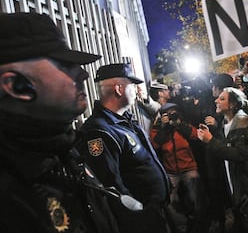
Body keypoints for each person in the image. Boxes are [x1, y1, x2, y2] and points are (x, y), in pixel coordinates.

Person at [0, 12, 141, 232]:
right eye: (65, 65)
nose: (83, 74)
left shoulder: (63, 151)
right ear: (16, 85)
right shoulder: (11, 191)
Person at [76, 63, 171, 233]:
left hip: (155, 213)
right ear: (119, 89)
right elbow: (110, 186)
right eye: (132, 85)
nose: (136, 90)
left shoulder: (124, 121)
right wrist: (141, 214)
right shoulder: (99, 131)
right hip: (140, 222)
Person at [197, 87, 248, 233]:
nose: (216, 100)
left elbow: (239, 155)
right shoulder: (225, 123)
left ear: (232, 105)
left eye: (222, 99)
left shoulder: (244, 123)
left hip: (246, 185)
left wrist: (211, 141)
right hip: (234, 183)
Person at [151, 103, 204, 233]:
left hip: (189, 167)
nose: (172, 116)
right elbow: (155, 144)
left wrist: (179, 124)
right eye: (168, 114)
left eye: (174, 113)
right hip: (170, 171)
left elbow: (195, 135)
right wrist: (164, 127)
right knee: (169, 199)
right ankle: (182, 226)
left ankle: (199, 221)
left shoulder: (183, 125)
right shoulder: (158, 128)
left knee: (195, 194)